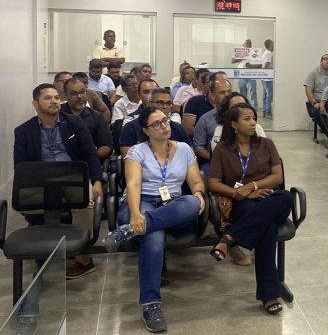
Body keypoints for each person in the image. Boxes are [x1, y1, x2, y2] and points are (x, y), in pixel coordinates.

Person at [103, 107, 206, 332]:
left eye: (165, 120)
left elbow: (196, 181)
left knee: (192, 202)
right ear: (146, 130)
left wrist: (199, 193)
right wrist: (135, 214)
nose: (164, 126)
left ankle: (126, 231)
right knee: (153, 239)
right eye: (156, 124)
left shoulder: (184, 149)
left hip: (173, 204)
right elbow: (133, 184)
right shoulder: (136, 152)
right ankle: (151, 305)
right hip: (142, 201)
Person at [207, 103, 293, 315]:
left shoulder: (266, 144)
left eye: (254, 118)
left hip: (269, 198)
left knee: (285, 196)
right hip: (242, 202)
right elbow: (213, 183)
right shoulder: (222, 149)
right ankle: (269, 295)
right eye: (247, 119)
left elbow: (277, 177)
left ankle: (229, 238)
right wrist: (239, 193)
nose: (253, 122)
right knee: (267, 228)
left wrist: (252, 186)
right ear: (234, 124)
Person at [14, 83, 104, 279]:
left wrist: (97, 180)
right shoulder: (23, 131)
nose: (54, 101)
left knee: (86, 202)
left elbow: (90, 153)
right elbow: (20, 165)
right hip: (41, 179)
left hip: (73, 176)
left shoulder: (73, 122)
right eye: (48, 98)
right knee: (29, 204)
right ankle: (44, 248)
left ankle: (82, 257)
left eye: (56, 97)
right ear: (35, 103)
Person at [119, 79, 192, 158]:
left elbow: (189, 156)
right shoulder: (131, 127)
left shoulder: (177, 128)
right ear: (148, 104)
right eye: (160, 103)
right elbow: (128, 157)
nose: (165, 106)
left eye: (168, 103)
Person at [61, 78, 113, 161]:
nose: (79, 97)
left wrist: (93, 156)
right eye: (74, 94)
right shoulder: (58, 115)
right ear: (65, 95)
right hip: (62, 161)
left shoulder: (97, 117)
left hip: (88, 161)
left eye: (82, 92)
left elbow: (107, 146)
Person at [232, 39, 261, 109]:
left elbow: (260, 65)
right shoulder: (239, 52)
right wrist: (243, 56)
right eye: (247, 43)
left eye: (250, 43)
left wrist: (251, 66)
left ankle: (254, 110)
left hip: (251, 75)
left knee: (252, 93)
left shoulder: (255, 52)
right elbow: (232, 61)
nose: (249, 45)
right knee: (242, 94)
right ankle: (243, 109)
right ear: (243, 45)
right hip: (241, 76)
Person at [259, 39, 274, 119]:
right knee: (269, 96)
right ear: (270, 45)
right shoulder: (269, 53)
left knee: (265, 95)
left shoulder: (265, 53)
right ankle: (268, 113)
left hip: (264, 78)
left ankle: (265, 112)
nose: (274, 46)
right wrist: (264, 73)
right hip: (268, 78)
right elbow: (266, 65)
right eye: (273, 44)